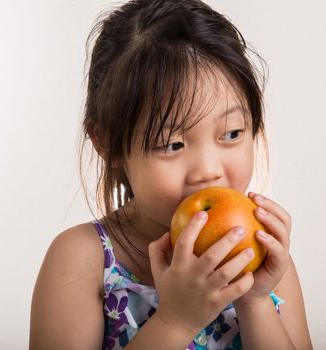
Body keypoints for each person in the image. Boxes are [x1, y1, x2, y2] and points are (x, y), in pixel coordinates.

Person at [29, 0, 312, 348]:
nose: (208, 171)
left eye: (232, 134)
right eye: (172, 144)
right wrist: (175, 321)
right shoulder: (83, 260)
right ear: (108, 143)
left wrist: (254, 301)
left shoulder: (265, 258)